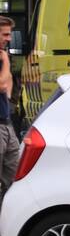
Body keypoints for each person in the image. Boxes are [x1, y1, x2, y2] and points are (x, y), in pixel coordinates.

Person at [0, 15, 21, 219]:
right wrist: (6, 62)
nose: (8, 39)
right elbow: (2, 85)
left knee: (14, 178)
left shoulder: (3, 56)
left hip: (6, 123)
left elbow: (7, 90)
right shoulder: (3, 58)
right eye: (5, 34)